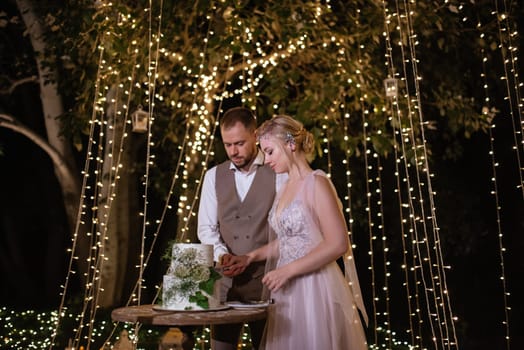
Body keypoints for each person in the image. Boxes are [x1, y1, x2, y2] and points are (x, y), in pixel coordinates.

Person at [224, 114, 369, 349]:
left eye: (270, 151)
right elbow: (289, 239)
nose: (266, 159)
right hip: (287, 291)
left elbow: (338, 244)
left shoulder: (317, 183)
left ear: (291, 144)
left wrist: (288, 271)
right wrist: (251, 256)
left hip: (314, 288)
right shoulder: (284, 186)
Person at [197, 107, 286, 350]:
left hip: (269, 285)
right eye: (227, 145)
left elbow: (287, 229)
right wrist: (221, 254)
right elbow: (206, 228)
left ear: (255, 136)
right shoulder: (213, 176)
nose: (233, 151)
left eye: (239, 143)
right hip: (227, 286)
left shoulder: (279, 172)